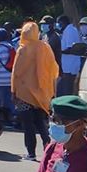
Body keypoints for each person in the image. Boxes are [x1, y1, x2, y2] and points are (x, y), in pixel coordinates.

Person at [12, 22, 59, 161]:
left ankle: (31, 153)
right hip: (42, 93)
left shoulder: (23, 50)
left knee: (28, 125)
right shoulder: (45, 47)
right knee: (40, 122)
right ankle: (48, 149)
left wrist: (13, 90)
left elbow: (16, 72)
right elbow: (53, 69)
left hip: (24, 93)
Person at [57, 15, 85, 96]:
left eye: (59, 23)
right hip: (68, 66)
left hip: (70, 66)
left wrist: (59, 52)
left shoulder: (70, 31)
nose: (58, 25)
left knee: (68, 89)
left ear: (63, 22)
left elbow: (71, 49)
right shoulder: (68, 30)